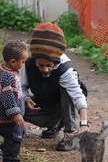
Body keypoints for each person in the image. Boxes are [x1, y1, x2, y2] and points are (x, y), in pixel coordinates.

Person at [19, 22, 89, 151]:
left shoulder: (65, 69)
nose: (45, 69)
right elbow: (21, 87)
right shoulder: (29, 64)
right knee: (14, 104)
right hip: (44, 103)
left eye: (48, 65)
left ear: (55, 62)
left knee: (67, 91)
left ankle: (70, 134)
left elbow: (78, 97)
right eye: (41, 65)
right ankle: (54, 125)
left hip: (64, 105)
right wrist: (26, 98)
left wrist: (84, 123)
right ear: (35, 60)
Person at [0, 40, 29, 162]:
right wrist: (16, 114)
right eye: (23, 62)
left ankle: (4, 150)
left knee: (21, 131)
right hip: (7, 118)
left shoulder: (3, 70)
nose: (24, 65)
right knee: (15, 136)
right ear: (13, 62)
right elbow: (7, 98)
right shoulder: (8, 77)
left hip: (0, 116)